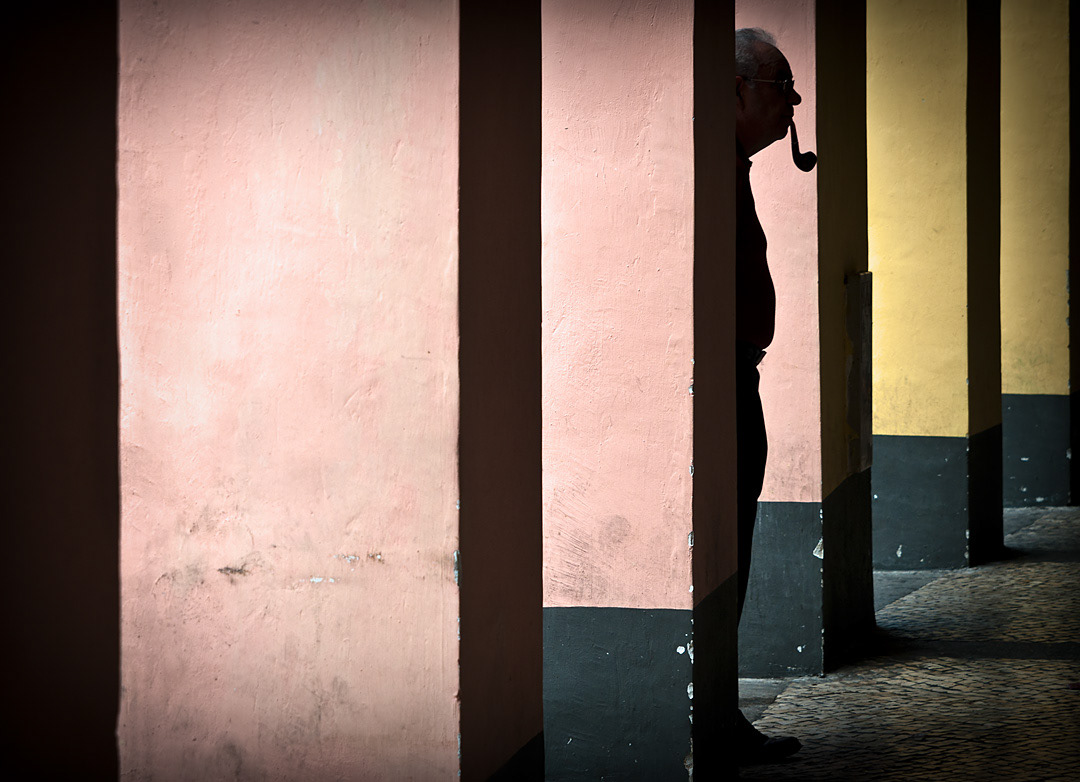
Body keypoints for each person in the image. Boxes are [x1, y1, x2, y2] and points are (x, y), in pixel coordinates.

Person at [733, 26, 805, 765]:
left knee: (737, 547)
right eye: (782, 86)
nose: (794, 102)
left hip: (737, 377)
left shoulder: (732, 166)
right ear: (736, 91)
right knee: (726, 544)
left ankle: (720, 709)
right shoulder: (704, 164)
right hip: (717, 383)